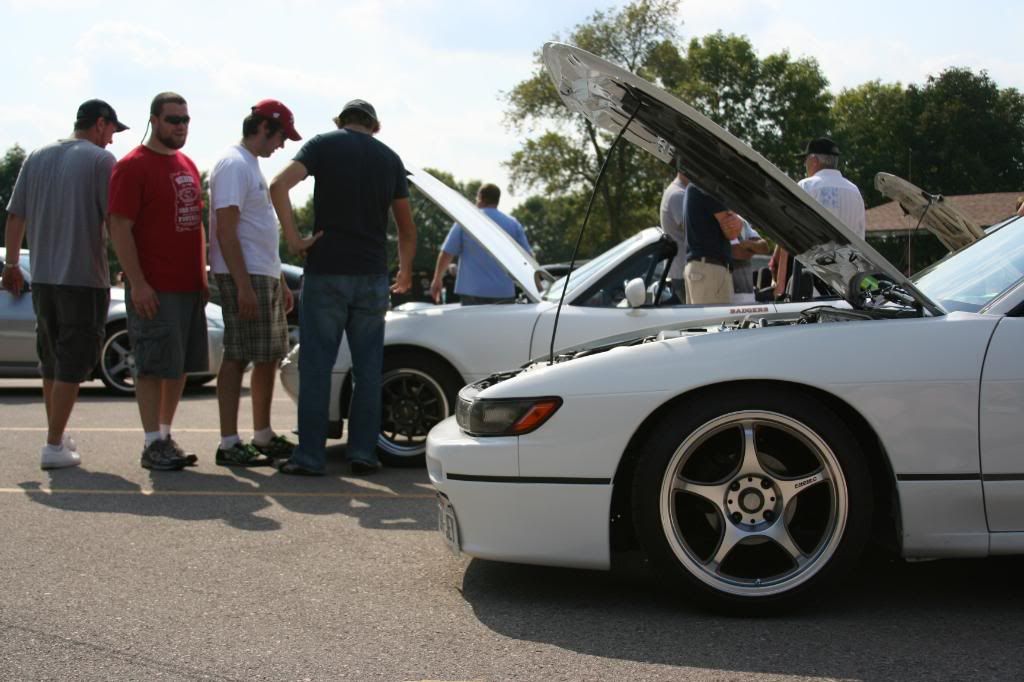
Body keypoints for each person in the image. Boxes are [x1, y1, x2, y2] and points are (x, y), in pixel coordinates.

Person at [270, 99, 416, 476]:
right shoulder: (390, 159)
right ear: (375, 126)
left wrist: (295, 239)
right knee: (368, 370)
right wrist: (405, 270)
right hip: (371, 274)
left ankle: (310, 457)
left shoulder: (323, 145)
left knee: (317, 366)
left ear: (341, 121)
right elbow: (405, 227)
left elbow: (278, 185)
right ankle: (364, 453)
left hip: (327, 270)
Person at [2, 99, 128, 470]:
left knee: (53, 361)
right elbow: (115, 219)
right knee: (74, 361)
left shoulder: (38, 155)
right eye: (112, 132)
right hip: (83, 277)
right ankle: (54, 444)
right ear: (101, 124)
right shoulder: (100, 161)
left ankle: (56, 434)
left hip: (41, 277)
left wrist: (12, 264)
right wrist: (130, 269)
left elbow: (15, 216)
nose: (112, 141)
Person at [108, 92, 208, 471]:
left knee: (178, 365)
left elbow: (196, 225)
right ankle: (151, 444)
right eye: (172, 120)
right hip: (154, 287)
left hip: (187, 286)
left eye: (185, 119)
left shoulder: (188, 164)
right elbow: (119, 226)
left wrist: (201, 275)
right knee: (151, 366)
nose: (180, 126)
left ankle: (165, 436)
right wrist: (138, 282)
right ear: (154, 120)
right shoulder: (133, 165)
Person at [208, 100, 302, 467]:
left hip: (261, 275)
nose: (282, 144)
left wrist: (277, 278)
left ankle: (262, 435)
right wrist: (244, 285)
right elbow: (226, 229)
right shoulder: (233, 164)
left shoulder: (249, 165)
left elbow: (257, 230)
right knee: (239, 355)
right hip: (242, 275)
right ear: (264, 128)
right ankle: (229, 443)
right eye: (281, 136)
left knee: (268, 355)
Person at [773, 136, 867, 298]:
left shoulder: (806, 186)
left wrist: (780, 283)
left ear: (814, 160)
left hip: (811, 283)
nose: (804, 164)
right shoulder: (854, 191)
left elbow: (788, 235)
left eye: (805, 160)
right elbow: (860, 238)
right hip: (848, 281)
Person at [429, 183, 531, 305]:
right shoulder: (513, 224)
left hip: (471, 290)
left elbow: (447, 252)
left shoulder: (466, 220)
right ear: (497, 200)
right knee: (501, 325)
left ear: (480, 197)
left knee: (472, 324)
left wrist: (437, 279)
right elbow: (527, 258)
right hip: (503, 292)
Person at [682, 184, 743, 304]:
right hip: (710, 270)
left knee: (701, 321)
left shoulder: (694, 186)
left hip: (700, 268)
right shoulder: (706, 187)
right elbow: (731, 232)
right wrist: (740, 221)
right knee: (718, 322)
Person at [659, 157, 689, 302]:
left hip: (679, 270)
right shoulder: (679, 194)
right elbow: (691, 229)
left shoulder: (676, 191)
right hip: (682, 272)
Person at [730, 219, 771, 295]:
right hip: (722, 286)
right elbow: (737, 252)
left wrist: (747, 244)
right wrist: (749, 248)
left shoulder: (741, 220)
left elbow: (764, 247)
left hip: (745, 290)